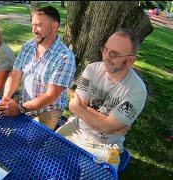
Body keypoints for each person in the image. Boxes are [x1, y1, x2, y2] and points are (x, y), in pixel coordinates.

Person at [56, 29, 147, 170]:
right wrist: (108, 122)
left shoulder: (137, 91)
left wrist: (82, 108)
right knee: (45, 157)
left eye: (114, 54)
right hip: (76, 129)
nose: (106, 56)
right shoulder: (92, 69)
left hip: (107, 146)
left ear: (130, 61)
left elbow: (106, 127)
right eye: (105, 49)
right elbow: (73, 107)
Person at [0, 6, 76, 130]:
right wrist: (6, 98)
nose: (34, 30)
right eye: (33, 25)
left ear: (54, 26)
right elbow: (15, 74)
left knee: (33, 141)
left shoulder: (65, 57)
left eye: (39, 25)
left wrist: (20, 109)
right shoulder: (28, 46)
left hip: (48, 109)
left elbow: (51, 96)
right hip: (24, 101)